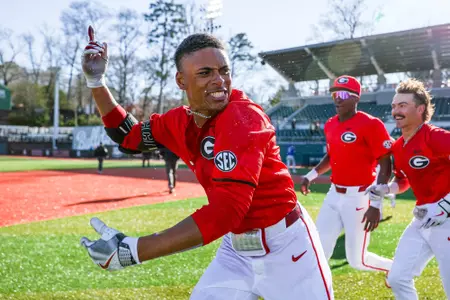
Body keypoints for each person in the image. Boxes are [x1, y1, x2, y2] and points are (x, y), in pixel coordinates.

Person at [79, 27, 333, 300]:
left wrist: (136, 250)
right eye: (205, 73)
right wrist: (96, 82)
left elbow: (226, 211)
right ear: (181, 80)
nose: (219, 80)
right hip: (236, 250)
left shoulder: (243, 118)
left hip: (287, 248)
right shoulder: (179, 121)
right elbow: (126, 134)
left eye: (224, 71)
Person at [300, 75, 393, 276]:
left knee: (357, 261)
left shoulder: (371, 124)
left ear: (356, 98)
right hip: (334, 194)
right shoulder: (330, 124)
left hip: (360, 196)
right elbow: (332, 154)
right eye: (334, 94)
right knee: (318, 253)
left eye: (343, 94)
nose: (337, 99)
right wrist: (311, 174)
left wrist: (376, 205)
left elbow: (386, 164)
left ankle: (396, 270)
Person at [367, 79, 450, 299]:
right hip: (422, 218)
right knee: (397, 278)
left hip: (448, 220)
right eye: (394, 106)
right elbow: (404, 181)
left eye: (402, 105)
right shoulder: (397, 146)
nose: (396, 111)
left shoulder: (436, 137)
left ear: (420, 109)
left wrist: (447, 205)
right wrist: (386, 189)